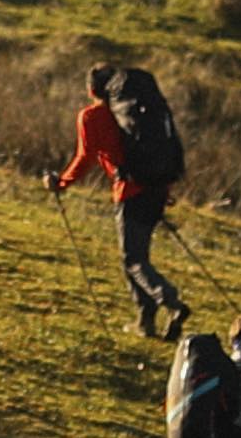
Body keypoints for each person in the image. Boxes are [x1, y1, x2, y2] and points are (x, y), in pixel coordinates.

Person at [48, 67, 186, 339]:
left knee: (133, 259)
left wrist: (62, 182)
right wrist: (164, 187)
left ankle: (170, 301)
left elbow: (85, 157)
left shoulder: (92, 116)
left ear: (91, 90)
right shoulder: (138, 113)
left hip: (130, 192)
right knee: (137, 256)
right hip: (156, 189)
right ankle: (145, 321)